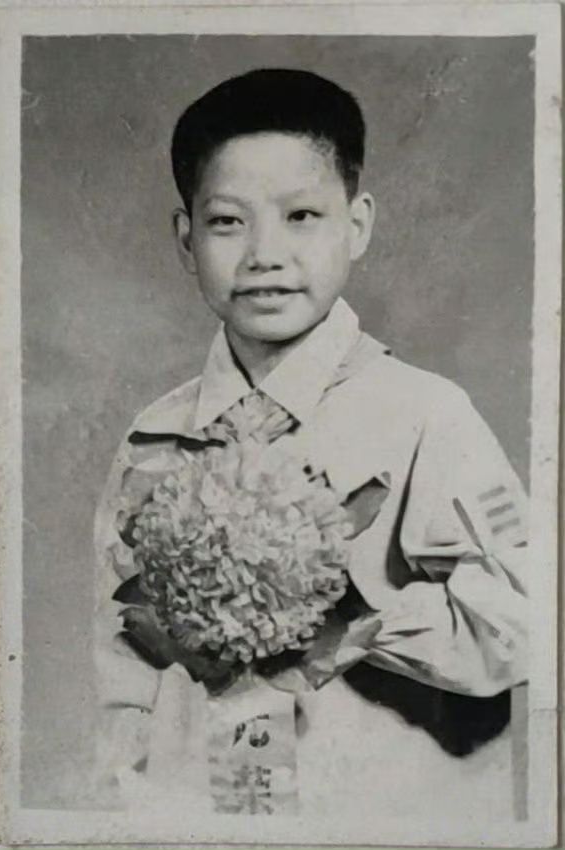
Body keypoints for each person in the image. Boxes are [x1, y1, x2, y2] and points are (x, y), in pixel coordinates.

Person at [94, 68, 528, 821]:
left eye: (301, 216)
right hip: (205, 817)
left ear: (356, 225)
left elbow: (525, 626)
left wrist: (344, 614)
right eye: (227, 222)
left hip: (385, 813)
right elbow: (120, 677)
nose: (265, 253)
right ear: (186, 239)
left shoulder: (426, 417)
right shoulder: (153, 439)